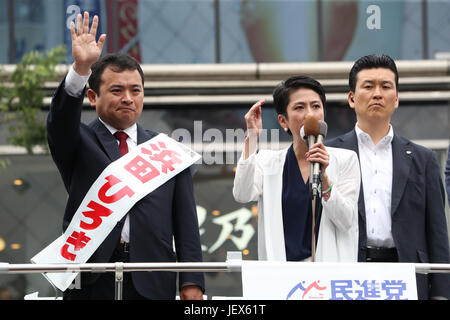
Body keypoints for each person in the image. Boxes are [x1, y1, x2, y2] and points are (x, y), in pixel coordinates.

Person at [47, 12, 204, 300]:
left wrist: (191, 281)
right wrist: (81, 70)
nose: (128, 98)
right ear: (93, 97)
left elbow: (186, 223)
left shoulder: (167, 150)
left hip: (153, 278)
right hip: (91, 278)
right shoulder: (78, 140)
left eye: (135, 90)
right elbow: (59, 120)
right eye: (116, 90)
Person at [326, 54, 450, 300]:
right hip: (347, 274)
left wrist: (442, 294)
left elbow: (437, 232)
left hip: (407, 277)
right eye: (368, 86)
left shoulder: (423, 159)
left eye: (386, 86)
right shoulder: (329, 155)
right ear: (351, 98)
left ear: (396, 99)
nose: (377, 94)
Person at [233, 75, 360, 262]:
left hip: (328, 277)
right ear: (283, 121)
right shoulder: (268, 161)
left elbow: (346, 220)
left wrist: (324, 178)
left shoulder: (345, 159)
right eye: (299, 107)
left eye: (316, 106)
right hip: (282, 277)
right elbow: (242, 194)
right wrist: (252, 138)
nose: (310, 114)